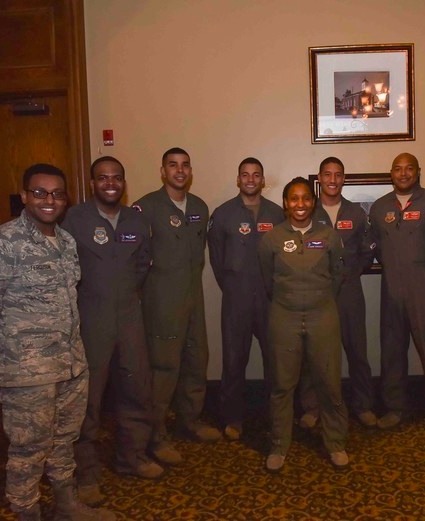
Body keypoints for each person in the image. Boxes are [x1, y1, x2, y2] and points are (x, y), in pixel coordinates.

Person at [0, 164, 115, 521]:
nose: (49, 200)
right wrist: (8, 358)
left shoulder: (66, 243)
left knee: (64, 442)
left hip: (71, 365)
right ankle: (26, 512)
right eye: (40, 192)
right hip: (27, 373)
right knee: (28, 450)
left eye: (57, 194)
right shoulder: (0, 245)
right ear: (24, 196)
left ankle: (67, 505)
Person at [61, 157, 162, 506]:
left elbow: (143, 263)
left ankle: (132, 457)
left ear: (123, 182)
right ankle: (86, 474)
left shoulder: (136, 220)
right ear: (92, 183)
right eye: (103, 178)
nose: (110, 183)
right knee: (87, 399)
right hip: (93, 318)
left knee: (137, 388)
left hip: (130, 316)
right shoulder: (74, 219)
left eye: (116, 178)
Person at [133, 147, 221, 467]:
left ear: (190, 171)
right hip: (162, 300)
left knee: (197, 360)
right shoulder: (145, 208)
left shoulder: (199, 207)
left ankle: (190, 421)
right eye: (173, 165)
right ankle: (156, 435)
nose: (179, 171)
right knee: (164, 369)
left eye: (185, 165)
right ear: (163, 171)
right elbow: (134, 258)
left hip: (193, 297)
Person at [258, 177, 349, 472]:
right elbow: (267, 279)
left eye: (306, 198)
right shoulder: (271, 239)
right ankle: (278, 445)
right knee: (282, 385)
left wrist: (316, 299)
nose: (300, 204)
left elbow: (337, 275)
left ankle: (335, 443)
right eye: (294, 198)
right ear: (286, 203)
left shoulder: (329, 235)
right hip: (283, 316)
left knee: (330, 382)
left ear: (313, 202)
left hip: (323, 315)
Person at [368, 152, 425, 442]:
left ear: (418, 171)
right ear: (391, 173)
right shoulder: (380, 207)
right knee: (391, 351)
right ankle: (395, 408)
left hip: (424, 292)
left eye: (409, 168)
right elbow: (375, 247)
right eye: (398, 168)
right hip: (391, 290)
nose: (403, 173)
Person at [207, 157, 285, 440]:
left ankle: (277, 417)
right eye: (245, 174)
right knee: (233, 360)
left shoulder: (277, 214)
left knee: (275, 361)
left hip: (270, 300)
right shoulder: (223, 214)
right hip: (236, 300)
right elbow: (216, 259)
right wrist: (233, 286)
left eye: (256, 175)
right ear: (238, 179)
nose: (250, 179)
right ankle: (233, 418)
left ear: (263, 180)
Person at [297, 157, 377, 429]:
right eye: (328, 174)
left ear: (344, 179)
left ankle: (363, 405)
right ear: (320, 178)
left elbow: (367, 250)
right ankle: (312, 407)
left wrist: (351, 273)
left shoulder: (356, 213)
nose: (333, 179)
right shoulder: (309, 211)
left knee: (357, 350)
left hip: (349, 291)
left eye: (338, 174)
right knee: (313, 353)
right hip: (316, 292)